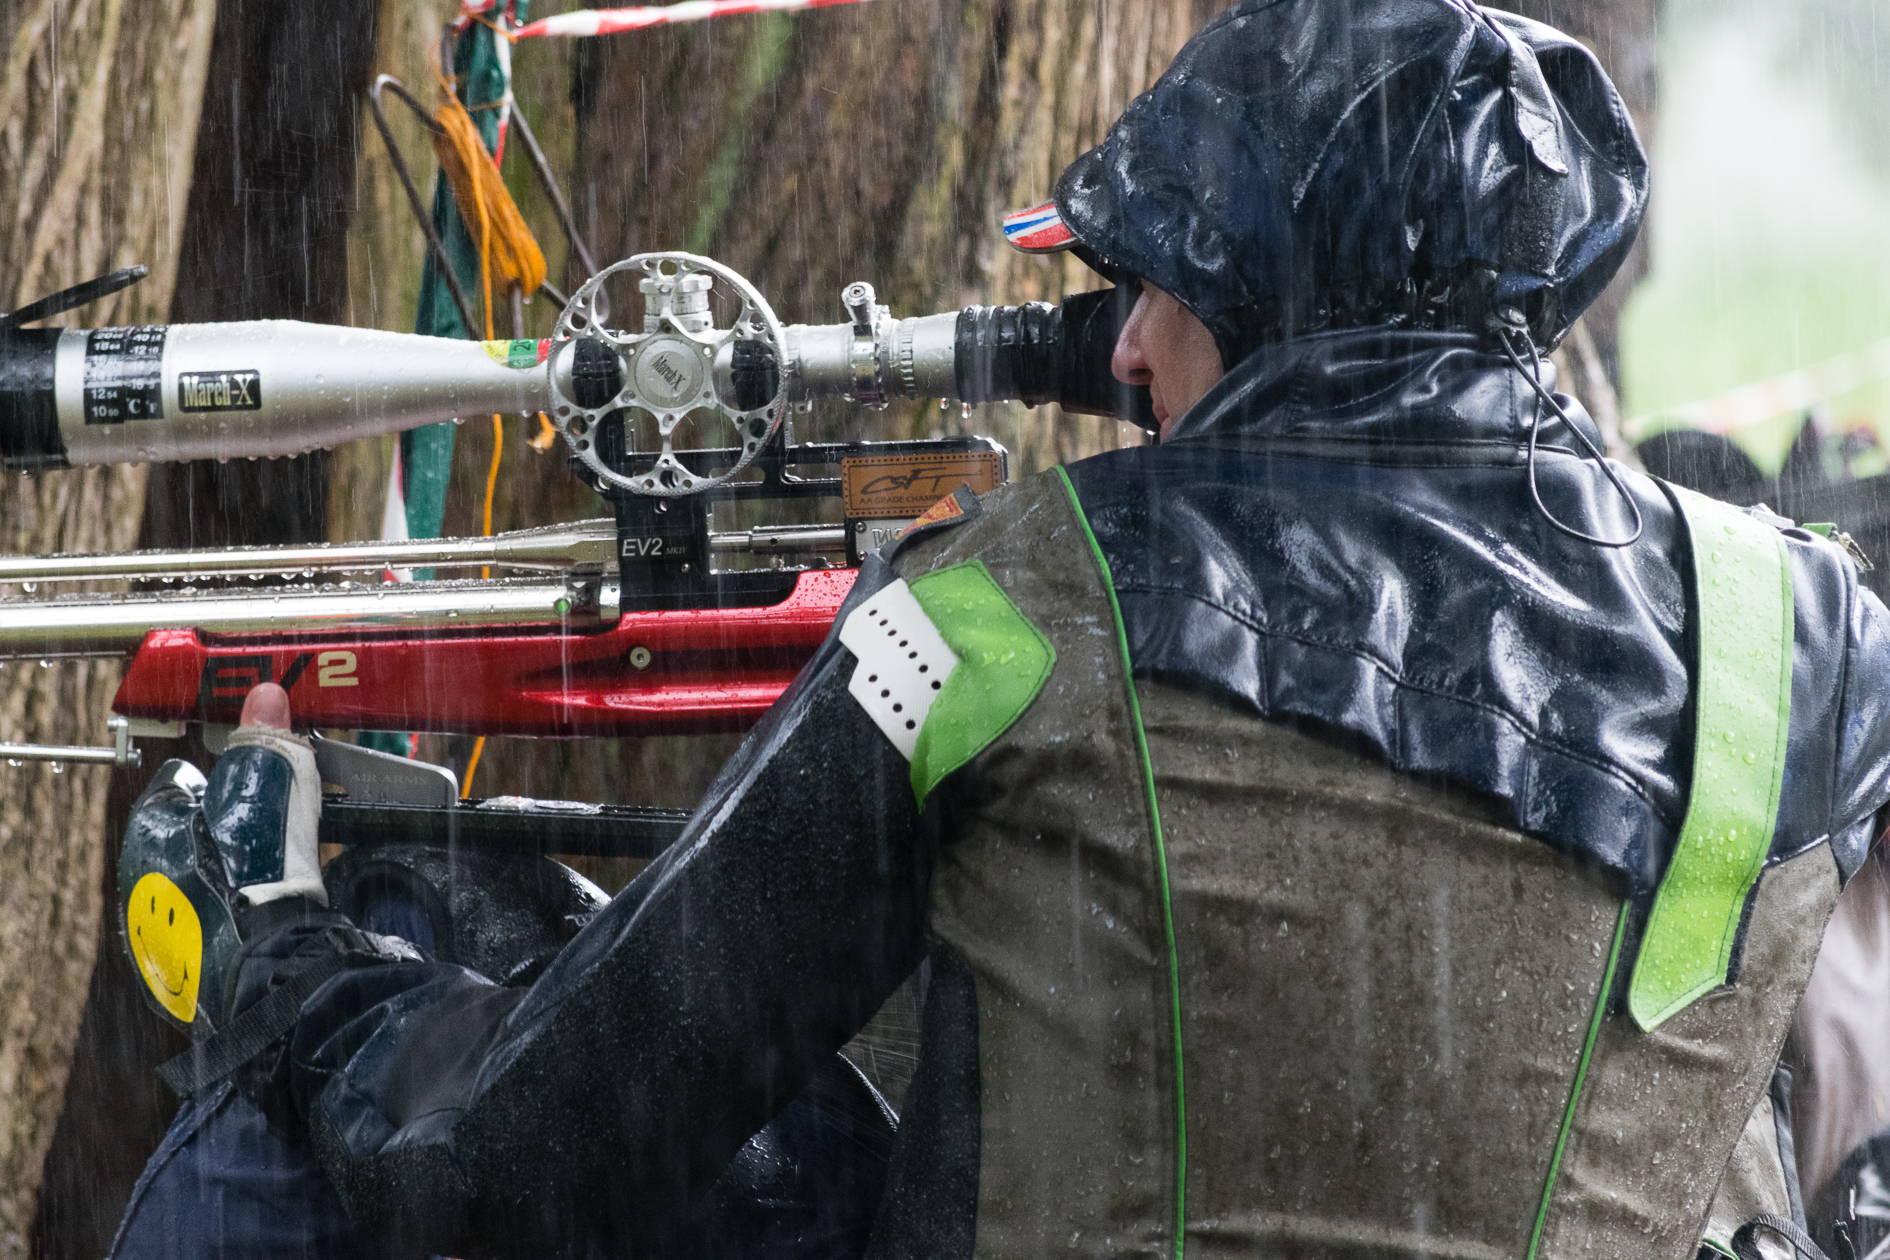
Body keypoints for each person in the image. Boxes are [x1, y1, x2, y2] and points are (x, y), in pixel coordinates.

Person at [114, 1, 1890, 1257]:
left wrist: (288, 951)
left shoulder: (1009, 609)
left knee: (366, 1042)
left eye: (1157, 286)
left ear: (1256, 290)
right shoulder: (1807, 638)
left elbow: (511, 1166)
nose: (1119, 350)